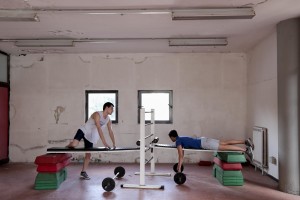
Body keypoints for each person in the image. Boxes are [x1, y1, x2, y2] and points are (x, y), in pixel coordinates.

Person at [66, 102, 116, 180]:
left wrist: (114, 143)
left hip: (90, 137)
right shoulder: (97, 114)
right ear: (106, 107)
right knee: (74, 145)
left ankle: (83, 172)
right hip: (84, 130)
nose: (113, 110)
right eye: (112, 108)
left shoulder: (108, 120)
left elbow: (110, 131)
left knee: (88, 155)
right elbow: (99, 128)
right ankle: (70, 144)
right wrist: (105, 143)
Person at [168, 130, 254, 172]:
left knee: (225, 147)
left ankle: (245, 150)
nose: (170, 139)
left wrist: (179, 167)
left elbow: (180, 155)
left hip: (204, 144)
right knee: (225, 142)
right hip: (204, 139)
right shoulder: (181, 138)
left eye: (170, 137)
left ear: (173, 137)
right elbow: (182, 152)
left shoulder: (178, 141)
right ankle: (245, 141)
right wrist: (180, 164)